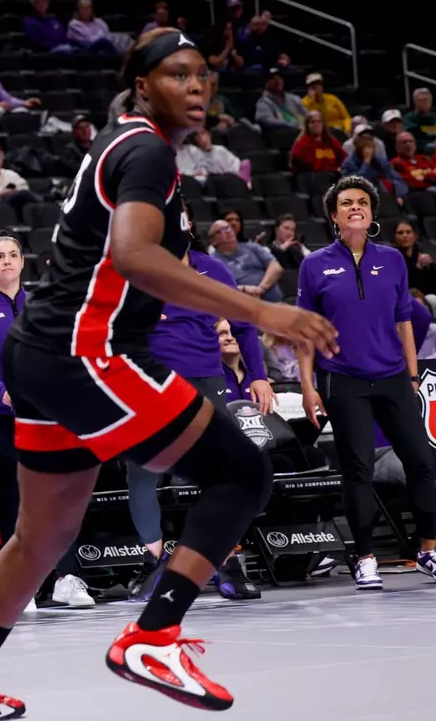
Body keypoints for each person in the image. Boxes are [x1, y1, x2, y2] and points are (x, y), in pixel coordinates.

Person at [0, 28, 338, 719]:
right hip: (86, 353)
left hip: (39, 354)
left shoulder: (122, 143)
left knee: (42, 536)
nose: (196, 85)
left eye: (202, 73)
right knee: (242, 473)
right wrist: (261, 310)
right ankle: (154, 635)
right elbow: (136, 257)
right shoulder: (147, 151)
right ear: (143, 86)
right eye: (177, 74)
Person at [297, 176, 436, 590]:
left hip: (392, 377)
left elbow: (404, 320)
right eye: (346, 203)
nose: (356, 207)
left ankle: (429, 550)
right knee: (359, 470)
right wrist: (308, 386)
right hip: (342, 379)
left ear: (372, 213)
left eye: (363, 202)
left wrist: (412, 374)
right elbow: (304, 331)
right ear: (333, 216)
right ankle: (365, 557)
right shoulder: (314, 265)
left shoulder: (392, 260)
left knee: (421, 462)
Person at [126, 243, 274, 603]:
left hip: (206, 380)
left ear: (188, 227)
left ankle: (225, 560)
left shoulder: (214, 269)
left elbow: (244, 322)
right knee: (141, 471)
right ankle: (154, 562)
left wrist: (258, 374)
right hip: (153, 383)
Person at [0, 235, 89, 612]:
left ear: (22, 261)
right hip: (3, 419)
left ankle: (65, 578)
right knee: (16, 500)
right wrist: (1, 392)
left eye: (13, 254)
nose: (7, 261)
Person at [207, 219, 284, 303]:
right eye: (221, 230)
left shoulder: (252, 247)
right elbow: (218, 287)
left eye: (228, 228)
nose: (228, 231)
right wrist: (244, 289)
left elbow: (276, 267)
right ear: (213, 241)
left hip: (274, 302)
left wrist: (261, 288)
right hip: (241, 305)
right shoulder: (212, 262)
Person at [0, 142, 40, 217]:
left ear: (1, 157)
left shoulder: (10, 174)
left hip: (15, 205)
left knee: (25, 195)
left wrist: (14, 191)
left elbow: (24, 188)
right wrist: (0, 194)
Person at [391, 219, 436, 304]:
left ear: (415, 236)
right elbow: (403, 285)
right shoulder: (392, 258)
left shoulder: (421, 255)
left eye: (408, 232)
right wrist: (418, 268)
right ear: (394, 236)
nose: (405, 235)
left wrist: (430, 268)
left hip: (426, 299)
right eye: (400, 233)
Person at [341, 128, 405, 200]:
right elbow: (355, 184)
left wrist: (399, 195)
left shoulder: (381, 161)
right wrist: (366, 162)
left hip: (384, 198)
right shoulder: (349, 163)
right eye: (364, 139)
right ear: (355, 144)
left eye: (371, 139)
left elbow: (397, 179)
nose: (368, 142)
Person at [176, 128, 242, 182]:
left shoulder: (220, 150)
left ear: (209, 134)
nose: (201, 137)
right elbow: (197, 170)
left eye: (203, 133)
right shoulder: (195, 152)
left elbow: (236, 165)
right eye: (197, 136)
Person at [403, 88, 436, 152]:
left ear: (431, 102)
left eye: (426, 100)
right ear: (415, 102)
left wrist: (423, 130)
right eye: (420, 100)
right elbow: (415, 132)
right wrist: (435, 130)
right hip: (416, 151)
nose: (424, 103)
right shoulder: (408, 118)